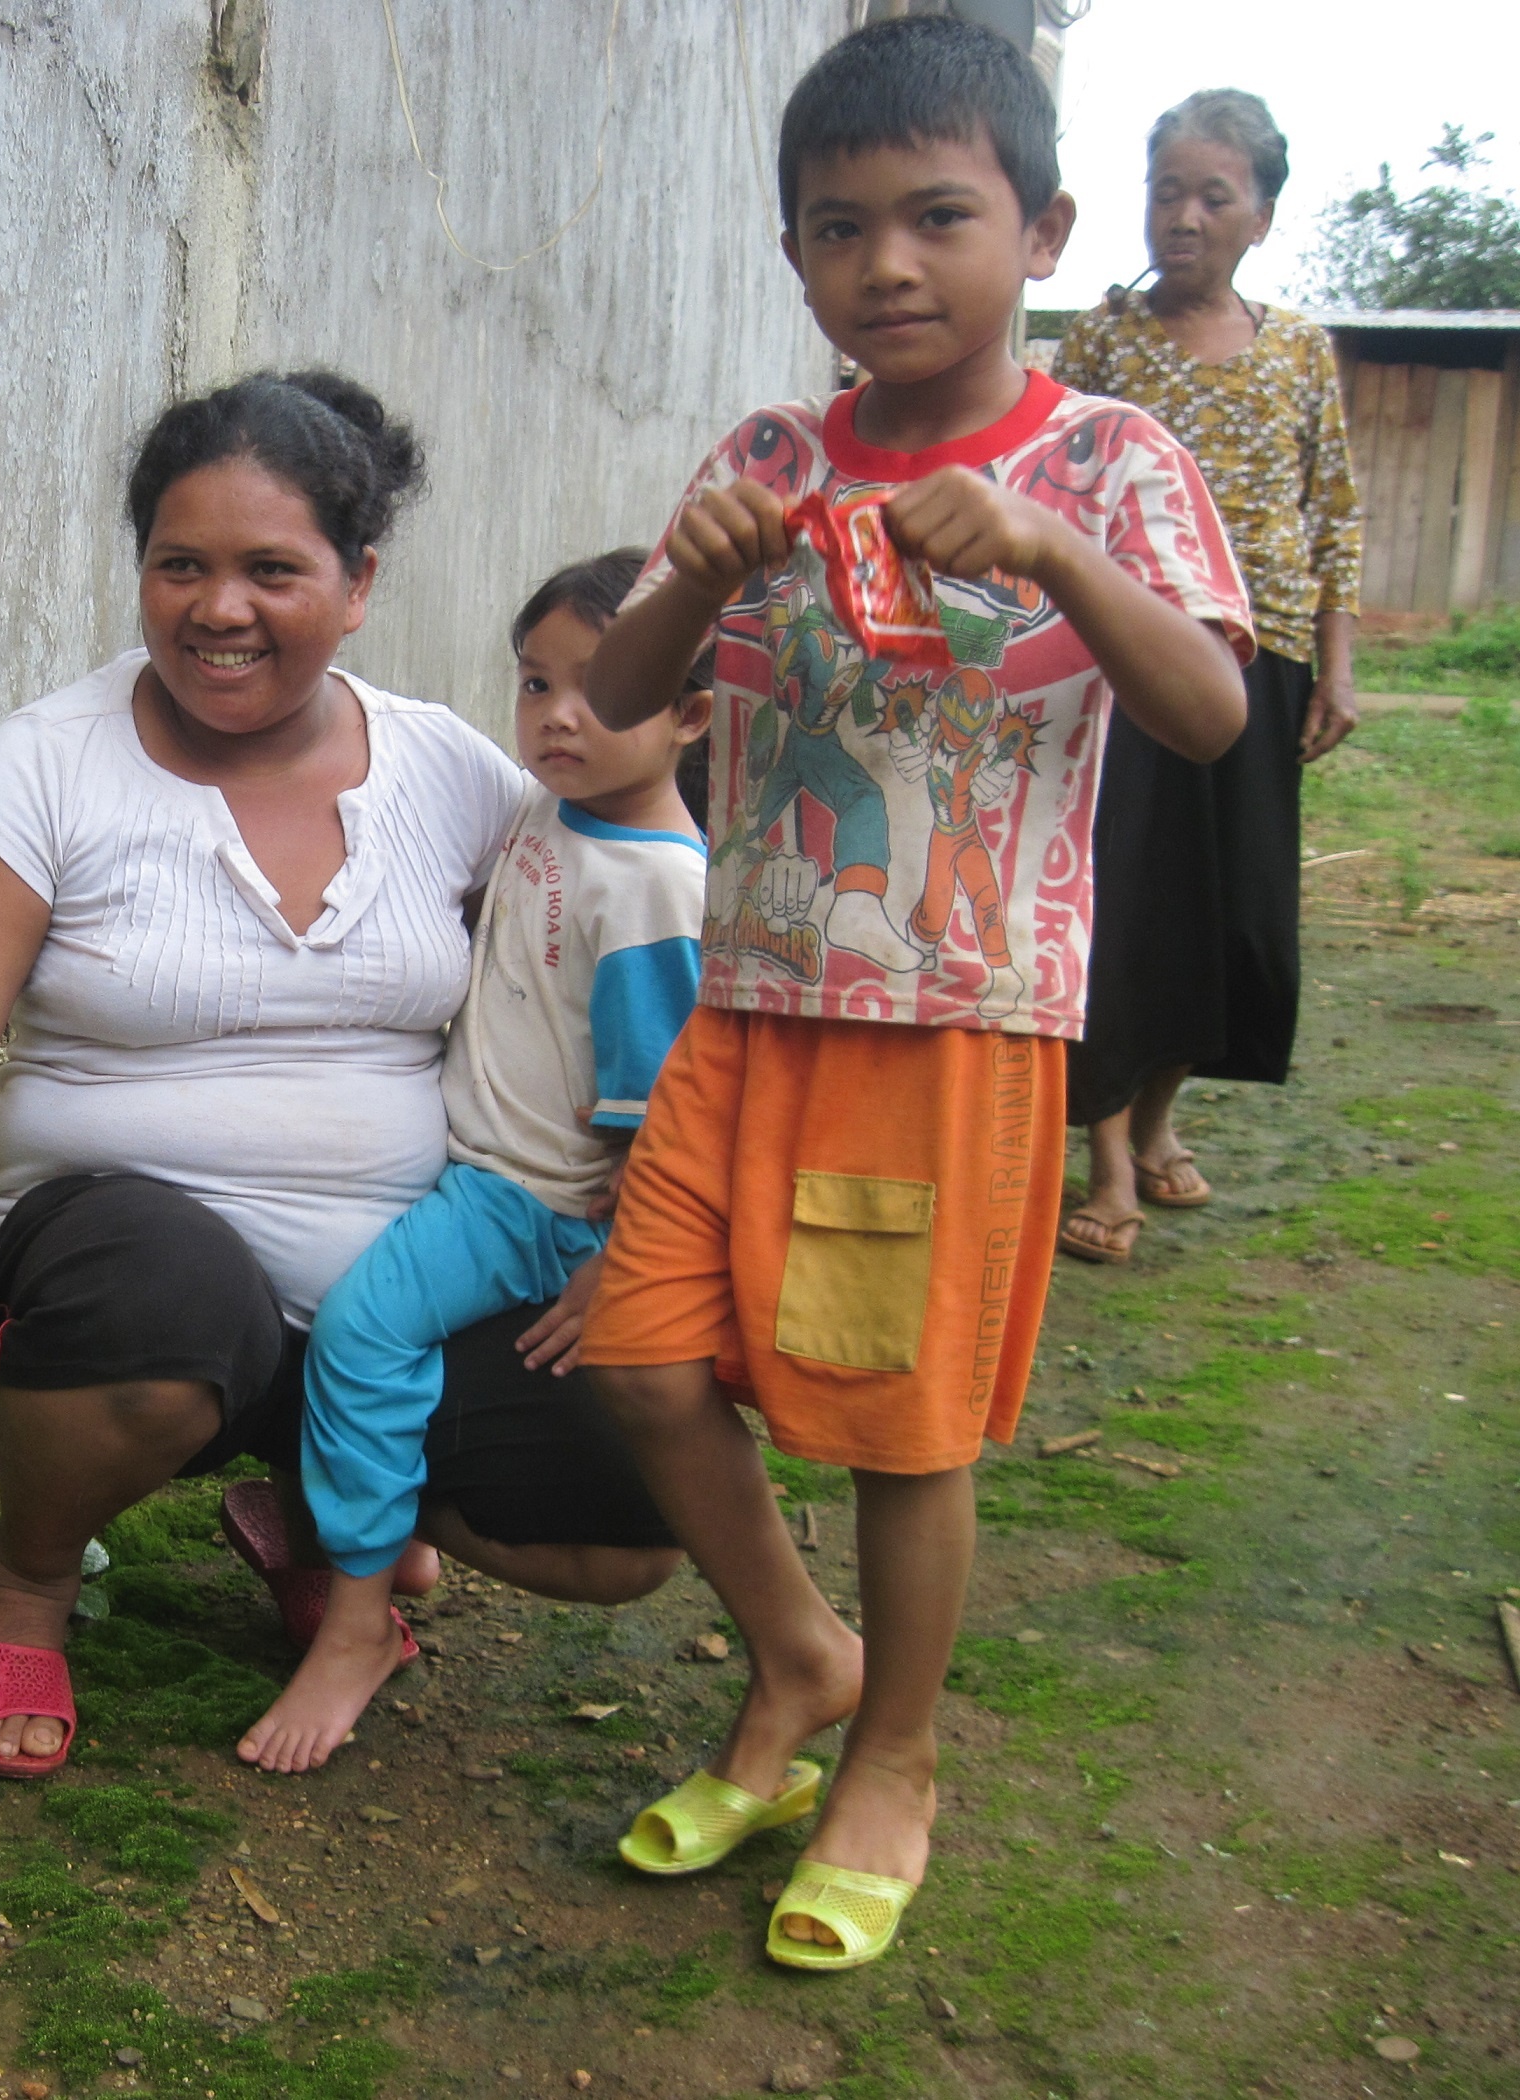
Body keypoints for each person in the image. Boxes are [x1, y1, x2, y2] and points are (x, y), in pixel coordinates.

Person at [0, 370, 683, 1780]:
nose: (220, 608)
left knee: (622, 1522)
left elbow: (627, 921)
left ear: (360, 581)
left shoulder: (449, 772)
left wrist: (638, 1230)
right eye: (179, 565)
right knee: (167, 1298)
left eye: (273, 570)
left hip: (399, 1301)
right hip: (130, 1283)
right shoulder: (46, 769)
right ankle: (20, 1581)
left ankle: (321, 1506)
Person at [576, 17, 1253, 1971]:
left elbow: (1208, 711)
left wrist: (1046, 549)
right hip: (748, 999)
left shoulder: (1103, 459)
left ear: (1039, 231)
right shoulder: (770, 458)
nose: (885, 263)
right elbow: (616, 700)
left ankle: (894, 1758)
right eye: (836, 226)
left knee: (901, 1426)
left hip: (948, 1020)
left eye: (936, 217)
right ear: (794, 253)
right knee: (639, 1361)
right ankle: (801, 1658)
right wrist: (693, 579)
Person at [237, 553, 709, 1775]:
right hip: (476, 1166)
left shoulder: (654, 888)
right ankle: (379, 1527)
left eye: (601, 688)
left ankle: (353, 1620)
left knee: (359, 1335)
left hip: (527, 1203)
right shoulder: (558, 810)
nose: (558, 715)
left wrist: (621, 1264)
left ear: (691, 713)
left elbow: (665, 1114)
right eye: (537, 682)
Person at [1050, 89, 1365, 1264]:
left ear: (1260, 218)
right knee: (1126, 905)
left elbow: (1331, 513)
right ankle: (1107, 1161)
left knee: (1235, 912)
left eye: (1211, 196)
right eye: (1165, 192)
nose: (1181, 217)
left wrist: (1335, 668)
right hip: (1128, 657)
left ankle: (1160, 1118)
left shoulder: (1298, 350)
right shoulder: (1103, 342)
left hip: (1263, 655)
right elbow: (1052, 486)